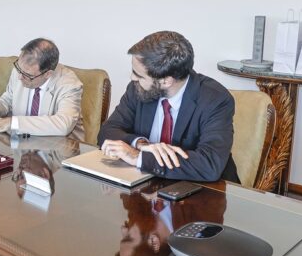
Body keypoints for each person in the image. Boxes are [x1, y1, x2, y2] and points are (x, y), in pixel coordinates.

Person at [98, 31, 239, 182]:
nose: (133, 78)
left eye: (139, 75)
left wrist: (139, 157)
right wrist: (140, 144)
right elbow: (107, 131)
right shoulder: (137, 88)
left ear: (166, 81)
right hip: (145, 185)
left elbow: (209, 164)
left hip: (201, 191)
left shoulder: (215, 100)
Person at [0, 38, 85, 139]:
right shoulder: (21, 70)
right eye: (19, 69)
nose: (20, 77)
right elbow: (8, 100)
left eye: (27, 75)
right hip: (23, 145)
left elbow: (63, 124)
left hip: (59, 151)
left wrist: (12, 123)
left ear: (48, 74)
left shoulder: (69, 84)